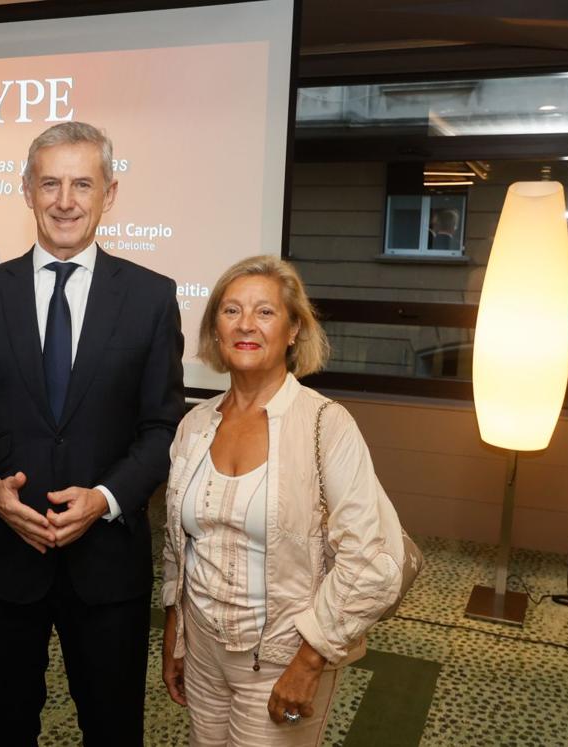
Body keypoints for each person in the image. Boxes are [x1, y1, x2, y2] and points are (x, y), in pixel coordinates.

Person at [0, 121, 184, 746]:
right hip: (6, 560)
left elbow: (163, 426)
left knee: (113, 728)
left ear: (109, 194)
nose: (65, 200)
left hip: (109, 564)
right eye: (50, 184)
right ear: (26, 191)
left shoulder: (151, 297)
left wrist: (107, 498)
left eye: (81, 184)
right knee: (8, 729)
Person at [160, 256, 408, 746]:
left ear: (294, 329)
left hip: (282, 658)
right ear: (215, 329)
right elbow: (178, 545)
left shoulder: (325, 425)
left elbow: (373, 559)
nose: (246, 324)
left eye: (264, 312)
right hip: (204, 650)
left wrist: (310, 660)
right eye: (231, 311)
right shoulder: (195, 425)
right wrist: (176, 628)